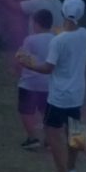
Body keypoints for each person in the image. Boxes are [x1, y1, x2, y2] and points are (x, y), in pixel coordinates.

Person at [18, 0, 86, 172]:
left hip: (59, 95)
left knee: (52, 132)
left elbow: (48, 68)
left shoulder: (59, 41)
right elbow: (66, 31)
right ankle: (72, 168)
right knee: (75, 130)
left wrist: (28, 63)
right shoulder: (84, 33)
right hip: (78, 93)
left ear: (63, 13)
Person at [14, 9, 54, 150]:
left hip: (29, 82)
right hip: (48, 83)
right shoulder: (55, 39)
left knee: (26, 111)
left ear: (36, 23)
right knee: (45, 111)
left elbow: (23, 58)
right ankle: (49, 140)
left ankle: (32, 138)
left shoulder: (30, 39)